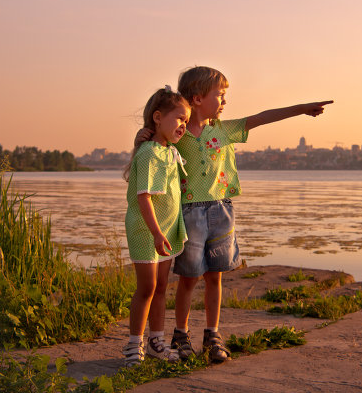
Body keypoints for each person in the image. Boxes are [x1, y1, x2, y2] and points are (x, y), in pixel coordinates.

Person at [136, 66, 332, 363]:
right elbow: (151, 150)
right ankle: (181, 333)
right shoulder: (178, 133)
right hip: (188, 213)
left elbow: (263, 117)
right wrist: (141, 135)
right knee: (189, 278)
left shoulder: (224, 130)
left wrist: (302, 109)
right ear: (198, 98)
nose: (225, 101)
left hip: (221, 209)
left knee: (216, 276)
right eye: (221, 94)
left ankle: (213, 334)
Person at [122, 86, 191, 367]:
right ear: (158, 118)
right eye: (179, 119)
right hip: (147, 229)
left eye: (187, 121)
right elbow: (144, 197)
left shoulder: (169, 151)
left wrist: (166, 230)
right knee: (147, 288)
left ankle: (155, 341)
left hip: (164, 229)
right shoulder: (150, 152)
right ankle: (133, 345)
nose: (183, 125)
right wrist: (156, 232)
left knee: (162, 286)